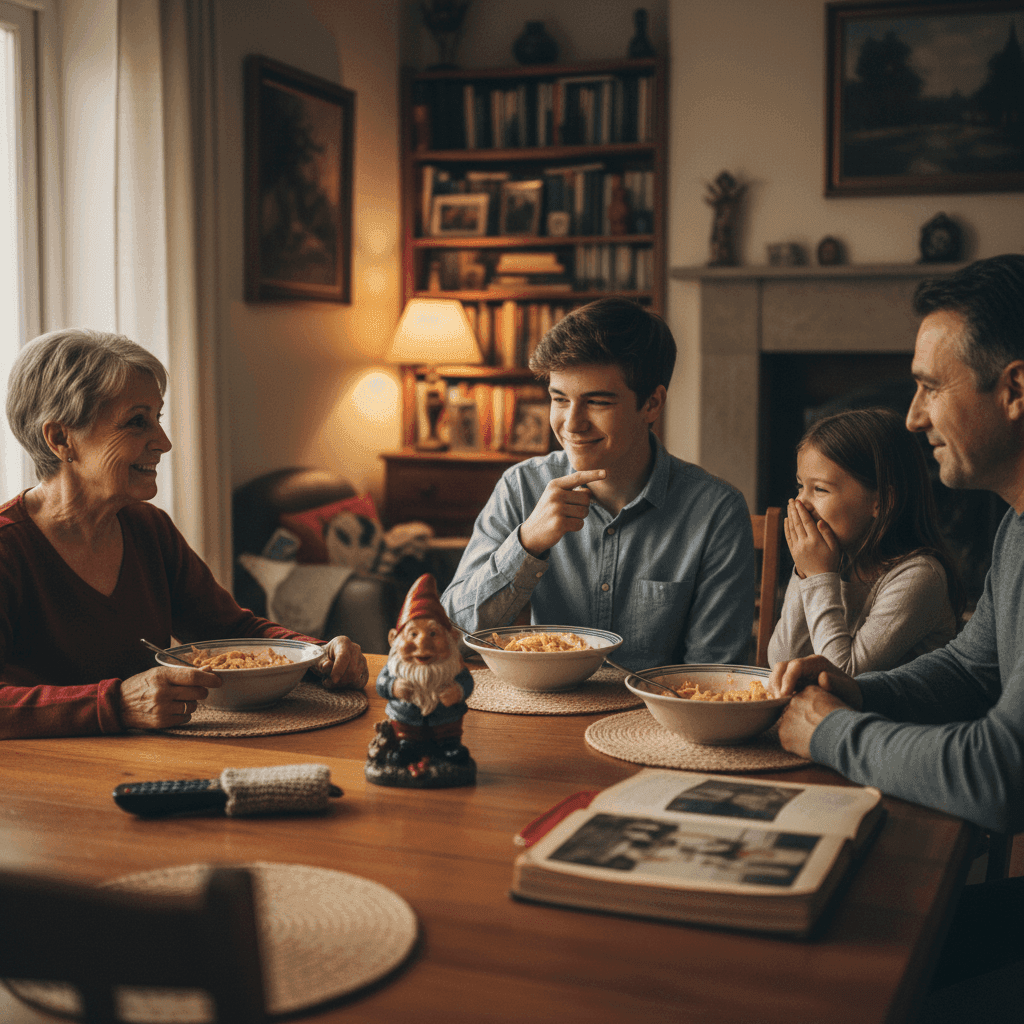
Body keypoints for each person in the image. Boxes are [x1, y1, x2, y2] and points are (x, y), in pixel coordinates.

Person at [770, 254, 1024, 992]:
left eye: (928, 386)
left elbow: (1000, 773)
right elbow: (971, 668)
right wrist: (856, 690)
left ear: (1014, 389)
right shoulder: (1014, 524)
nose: (912, 417)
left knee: (834, 972)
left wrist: (830, 733)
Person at [0, 328, 368, 740]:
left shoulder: (148, 529)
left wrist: (316, 654)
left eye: (156, 419)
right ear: (60, 438)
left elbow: (230, 632)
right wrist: (117, 703)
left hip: (147, 762)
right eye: (137, 422)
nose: (164, 442)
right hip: (44, 784)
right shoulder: (8, 549)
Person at [441, 298, 755, 669]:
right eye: (560, 399)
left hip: (651, 722)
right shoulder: (521, 487)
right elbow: (451, 637)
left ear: (652, 404)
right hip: (537, 714)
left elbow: (713, 675)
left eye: (597, 402)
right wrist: (527, 544)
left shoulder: (716, 512)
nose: (572, 424)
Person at [767, 407, 963, 674]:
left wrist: (817, 577)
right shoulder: (837, 563)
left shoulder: (919, 576)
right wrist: (804, 572)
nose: (800, 502)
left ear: (881, 502)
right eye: (801, 486)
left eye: (820, 489)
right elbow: (781, 663)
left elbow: (844, 677)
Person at [371, 573, 474, 772]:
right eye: (413, 634)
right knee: (406, 744)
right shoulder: (394, 668)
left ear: (453, 638)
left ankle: (449, 746)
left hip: (447, 723)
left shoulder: (454, 669)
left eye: (433, 634)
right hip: (406, 724)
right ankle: (407, 746)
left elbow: (466, 682)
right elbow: (381, 683)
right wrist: (392, 687)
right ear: (394, 638)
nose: (422, 643)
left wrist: (459, 691)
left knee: (450, 742)